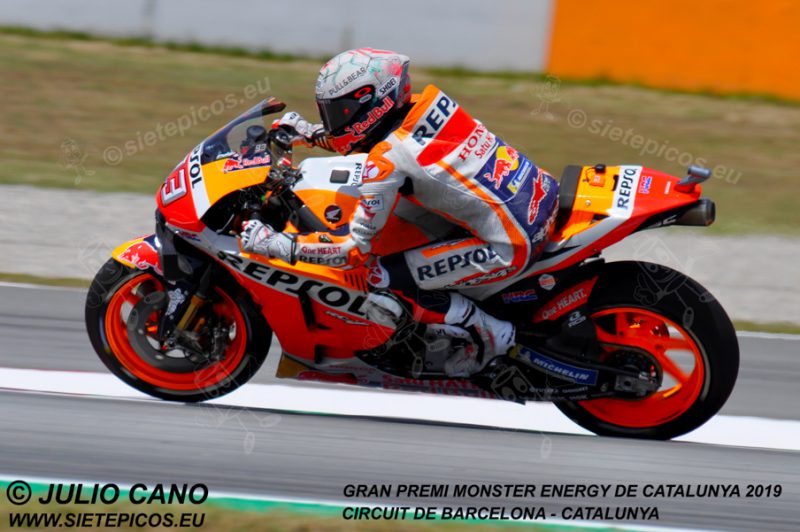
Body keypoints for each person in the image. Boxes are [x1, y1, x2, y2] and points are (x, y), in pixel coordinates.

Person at [241, 48, 559, 377]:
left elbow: (352, 250)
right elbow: (367, 137)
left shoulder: (388, 160)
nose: (334, 120)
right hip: (535, 194)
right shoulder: (426, 106)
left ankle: (493, 335)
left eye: (342, 110)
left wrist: (275, 244)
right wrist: (310, 132)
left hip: (509, 242)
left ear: (371, 102)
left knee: (378, 276)